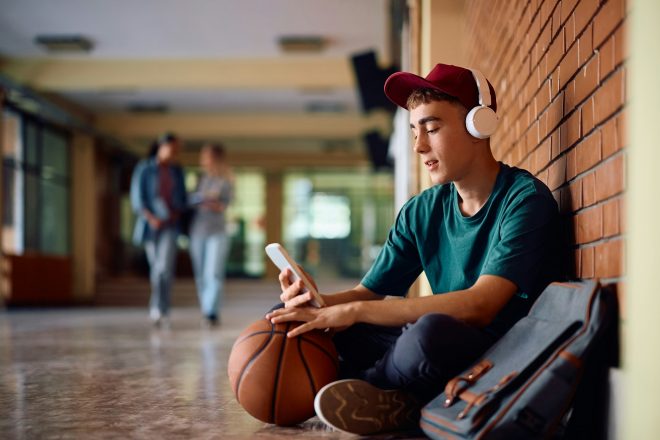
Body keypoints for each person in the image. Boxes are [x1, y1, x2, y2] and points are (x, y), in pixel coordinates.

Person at [265, 63, 561, 435]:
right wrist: (317, 303)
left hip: (494, 355)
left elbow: (480, 306)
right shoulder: (422, 210)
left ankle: (366, 388)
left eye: (433, 129)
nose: (420, 146)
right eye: (414, 131)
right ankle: (386, 395)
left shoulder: (524, 200)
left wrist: (356, 311)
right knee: (290, 318)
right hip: (425, 348)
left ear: (478, 125)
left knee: (427, 334)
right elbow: (366, 293)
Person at [130, 133, 187, 328]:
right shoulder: (145, 169)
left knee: (164, 268)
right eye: (172, 149)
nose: (174, 154)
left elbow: (181, 198)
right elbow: (138, 198)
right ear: (161, 147)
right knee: (157, 269)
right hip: (150, 225)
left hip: (170, 225)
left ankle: (160, 308)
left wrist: (175, 213)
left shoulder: (176, 171)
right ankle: (159, 307)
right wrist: (151, 218)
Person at [188, 143, 234, 327]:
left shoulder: (226, 180)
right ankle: (205, 309)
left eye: (206, 156)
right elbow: (190, 200)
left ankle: (211, 312)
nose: (203, 160)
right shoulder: (199, 178)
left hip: (217, 231)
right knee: (200, 274)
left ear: (216, 157)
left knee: (213, 272)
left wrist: (209, 202)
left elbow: (223, 205)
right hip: (197, 230)